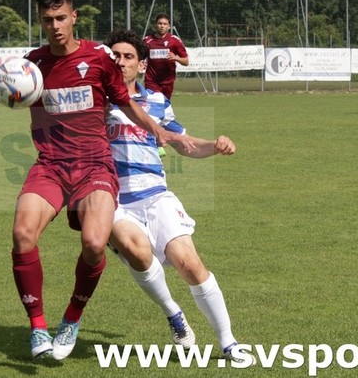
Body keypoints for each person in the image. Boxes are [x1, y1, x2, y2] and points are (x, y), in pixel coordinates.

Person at [0, 0, 191, 361]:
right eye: (48, 20)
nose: (55, 26)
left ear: (74, 17)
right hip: (50, 165)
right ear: (41, 21)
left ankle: (71, 319)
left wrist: (157, 129)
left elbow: (125, 102)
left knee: (96, 244)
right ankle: (37, 328)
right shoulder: (33, 65)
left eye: (61, 18)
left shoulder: (99, 58)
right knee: (22, 235)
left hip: (95, 165)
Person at [104, 28, 252, 364]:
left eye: (128, 57)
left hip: (156, 196)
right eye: (115, 55)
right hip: (113, 200)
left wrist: (214, 146)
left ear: (142, 65)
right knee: (136, 250)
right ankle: (174, 313)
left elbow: (183, 144)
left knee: (189, 263)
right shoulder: (97, 102)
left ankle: (228, 342)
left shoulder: (156, 102)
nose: (120, 61)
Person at [143, 12, 189, 101]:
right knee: (153, 103)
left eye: (165, 24)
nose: (162, 26)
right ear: (155, 25)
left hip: (167, 82)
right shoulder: (147, 41)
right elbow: (139, 58)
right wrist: (140, 63)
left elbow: (186, 61)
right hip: (151, 81)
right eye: (160, 23)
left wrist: (177, 58)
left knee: (164, 106)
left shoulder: (174, 41)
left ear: (169, 26)